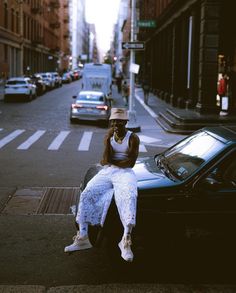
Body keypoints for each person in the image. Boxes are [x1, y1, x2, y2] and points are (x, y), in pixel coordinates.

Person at [64, 108, 140, 262]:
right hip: (109, 171)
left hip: (125, 173)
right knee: (87, 193)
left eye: (119, 121)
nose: (116, 124)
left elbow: (130, 163)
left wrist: (113, 162)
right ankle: (83, 237)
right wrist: (112, 156)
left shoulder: (133, 138)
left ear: (126, 122)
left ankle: (125, 240)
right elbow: (105, 160)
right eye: (113, 121)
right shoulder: (109, 136)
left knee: (128, 196)